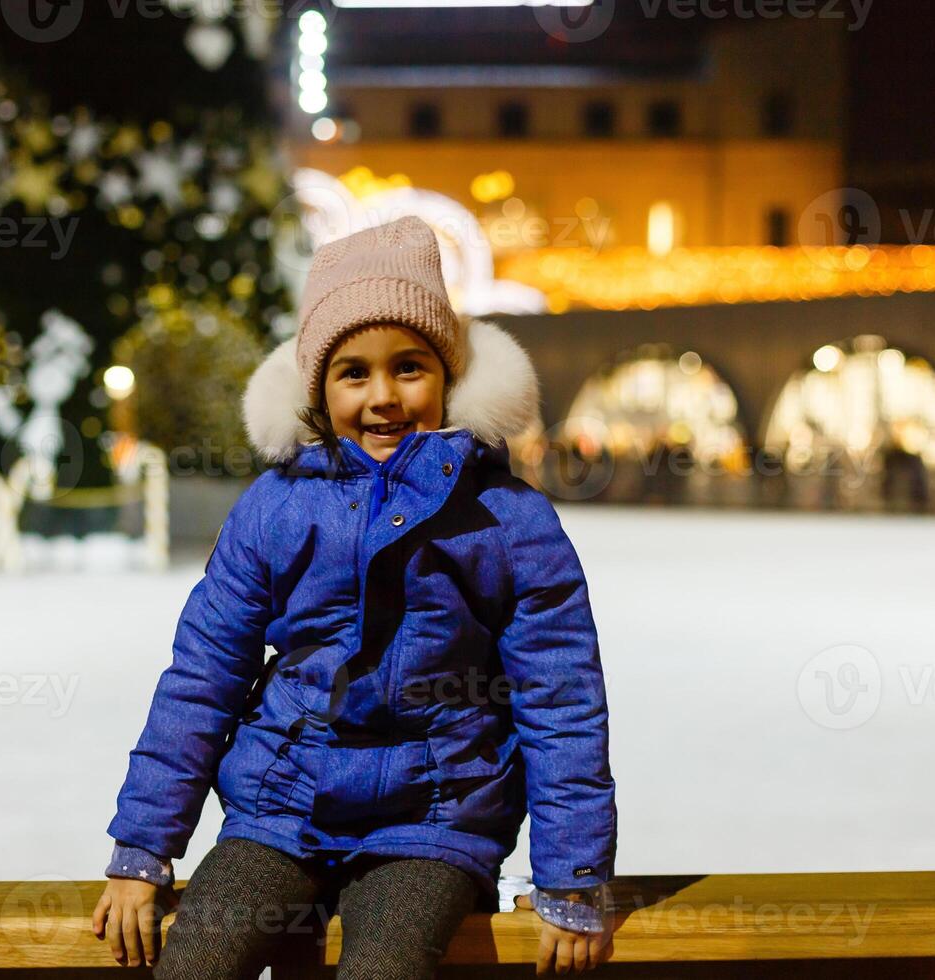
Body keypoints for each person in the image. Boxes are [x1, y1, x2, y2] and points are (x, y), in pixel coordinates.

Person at [92, 216, 617, 977]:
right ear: (317, 387)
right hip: (281, 806)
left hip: (432, 820)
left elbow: (562, 695)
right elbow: (203, 676)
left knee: (384, 968)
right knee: (196, 962)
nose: (384, 397)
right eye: (353, 372)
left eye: (409, 367)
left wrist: (572, 872)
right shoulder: (276, 508)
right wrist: (142, 846)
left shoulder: (506, 518)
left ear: (448, 375)